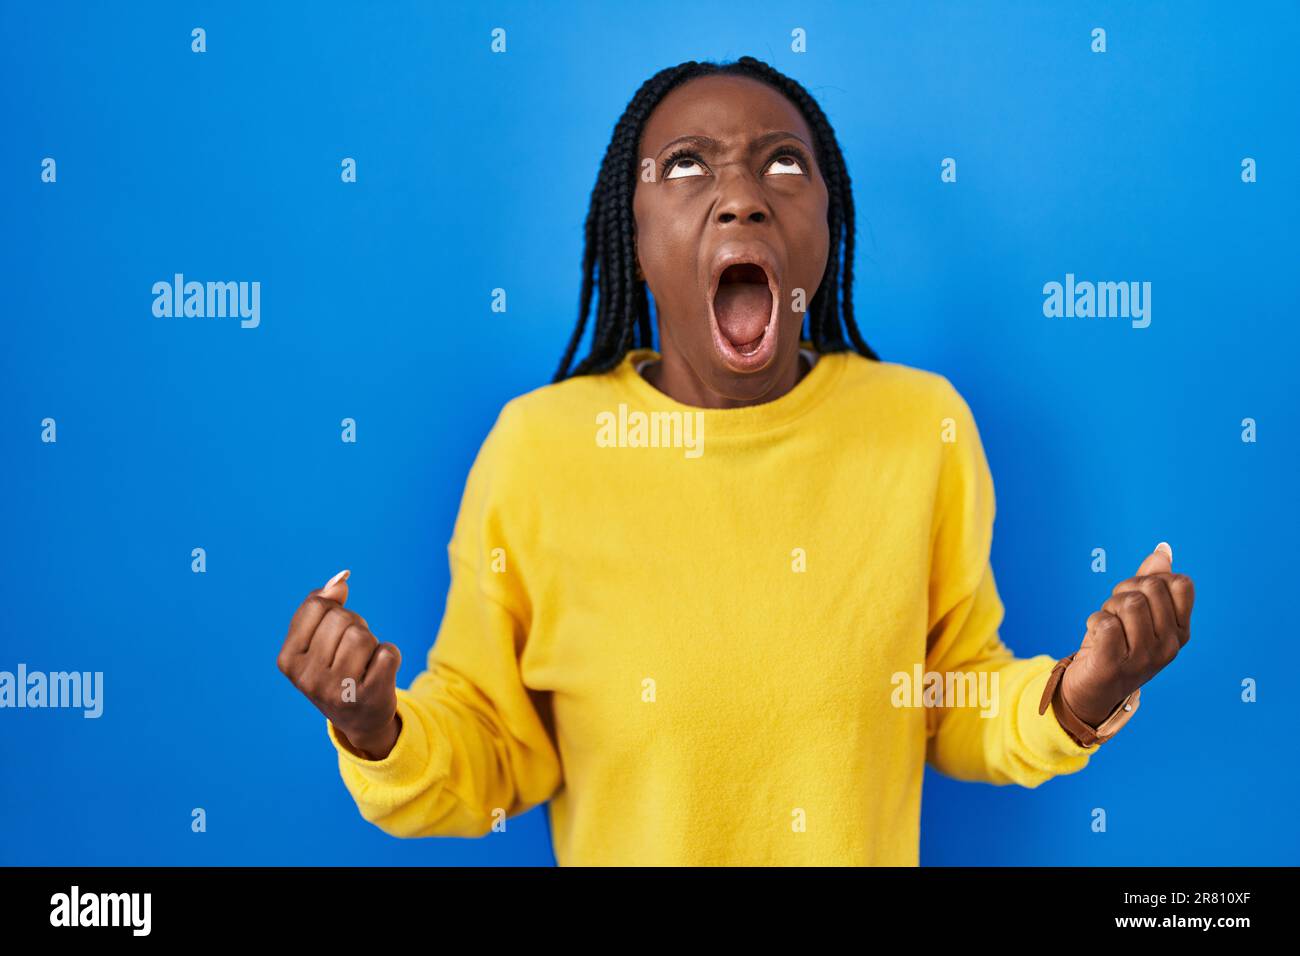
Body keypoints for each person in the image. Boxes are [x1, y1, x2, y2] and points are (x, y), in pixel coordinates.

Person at [276, 56, 1195, 866]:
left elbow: (951, 700)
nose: (744, 194)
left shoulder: (922, 428)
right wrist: (374, 726)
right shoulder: (539, 450)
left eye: (784, 164)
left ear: (828, 230)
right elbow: (493, 751)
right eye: (685, 167)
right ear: (632, 239)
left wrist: (1081, 695)